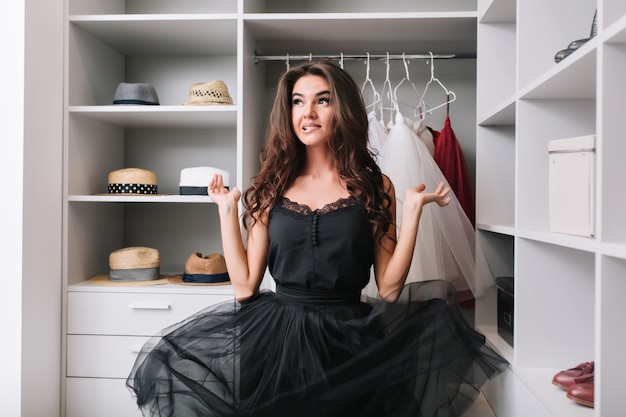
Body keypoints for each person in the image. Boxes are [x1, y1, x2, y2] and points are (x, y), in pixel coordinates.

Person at [127, 61, 506, 417]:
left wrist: (413, 214)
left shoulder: (376, 187)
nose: (307, 112)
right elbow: (244, 287)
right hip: (277, 342)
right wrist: (227, 211)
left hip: (350, 341)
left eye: (321, 100)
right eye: (297, 102)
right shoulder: (270, 186)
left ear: (342, 109)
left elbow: (390, 289)